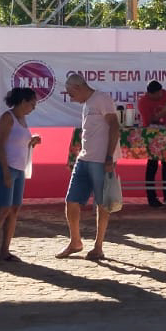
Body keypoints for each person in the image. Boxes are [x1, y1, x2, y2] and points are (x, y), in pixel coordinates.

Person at [58, 73, 120, 261]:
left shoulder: (102, 99)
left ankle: (98, 246)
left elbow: (115, 126)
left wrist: (109, 157)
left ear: (78, 88)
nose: (71, 98)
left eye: (71, 94)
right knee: (71, 200)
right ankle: (75, 241)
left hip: (101, 160)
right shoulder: (86, 104)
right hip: (84, 158)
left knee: (102, 204)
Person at [0, 87, 41, 265]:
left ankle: (5, 250)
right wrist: (6, 173)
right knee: (3, 210)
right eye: (32, 103)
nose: (33, 107)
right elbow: (1, 146)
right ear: (23, 101)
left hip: (19, 168)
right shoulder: (8, 118)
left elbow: (19, 144)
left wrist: (33, 141)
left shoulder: (22, 119)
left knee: (14, 210)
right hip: (6, 169)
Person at [138, 80, 166, 206]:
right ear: (150, 94)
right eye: (157, 95)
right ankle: (151, 197)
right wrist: (164, 110)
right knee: (152, 164)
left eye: (161, 93)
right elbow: (150, 120)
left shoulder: (165, 94)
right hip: (151, 133)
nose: (160, 96)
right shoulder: (143, 102)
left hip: (165, 132)